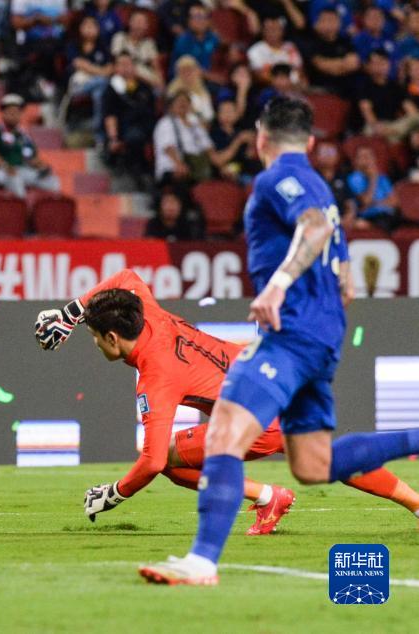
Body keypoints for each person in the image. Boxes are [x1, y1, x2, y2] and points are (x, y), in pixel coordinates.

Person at [137, 96, 419, 585]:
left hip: (290, 333)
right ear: (309, 142)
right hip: (322, 336)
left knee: (224, 433)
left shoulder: (275, 180)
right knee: (313, 463)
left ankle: (201, 563)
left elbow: (314, 229)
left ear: (260, 138)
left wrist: (278, 285)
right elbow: (344, 274)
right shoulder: (321, 187)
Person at [34, 268, 419, 536]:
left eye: (95, 337)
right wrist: (71, 313)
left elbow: (151, 462)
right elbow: (127, 278)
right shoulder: (148, 312)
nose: (95, 344)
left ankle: (268, 497)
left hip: (256, 421)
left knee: (165, 458)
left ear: (113, 338)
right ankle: (416, 503)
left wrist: (115, 493)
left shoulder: (156, 378)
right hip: (273, 379)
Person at [0, 94, 60, 198]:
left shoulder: (24, 135)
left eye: (17, 112)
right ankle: (21, 207)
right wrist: (6, 166)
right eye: (11, 112)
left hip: (21, 170)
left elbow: (30, 158)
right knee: (15, 179)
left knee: (51, 180)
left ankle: (50, 207)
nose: (14, 115)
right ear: (3, 113)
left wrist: (43, 167)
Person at [102, 53, 156, 186]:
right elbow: (110, 115)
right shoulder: (112, 89)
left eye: (129, 64)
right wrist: (113, 139)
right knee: (135, 137)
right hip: (127, 128)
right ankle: (138, 173)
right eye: (122, 64)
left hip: (147, 125)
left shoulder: (144, 86)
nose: (126, 67)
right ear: (115, 68)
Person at [63, 15, 113, 134]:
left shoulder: (103, 47)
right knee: (103, 82)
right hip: (78, 86)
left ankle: (97, 131)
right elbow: (79, 64)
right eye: (87, 25)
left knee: (98, 94)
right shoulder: (73, 45)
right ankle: (99, 132)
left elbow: (110, 68)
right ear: (80, 28)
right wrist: (101, 72)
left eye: (93, 26)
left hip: (97, 85)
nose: (90, 29)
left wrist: (93, 70)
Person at [153, 92, 215, 186]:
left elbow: (208, 148)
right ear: (171, 106)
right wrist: (179, 165)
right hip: (172, 168)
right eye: (179, 101)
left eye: (186, 101)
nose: (183, 103)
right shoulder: (165, 123)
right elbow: (168, 148)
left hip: (197, 166)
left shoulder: (195, 124)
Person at [357, 51, 419, 142]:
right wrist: (377, 126)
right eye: (376, 63)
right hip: (374, 125)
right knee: (370, 131)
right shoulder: (363, 86)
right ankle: (393, 136)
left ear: (389, 65)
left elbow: (409, 108)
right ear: (368, 66)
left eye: (383, 63)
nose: (380, 66)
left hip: (394, 125)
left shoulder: (395, 86)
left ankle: (394, 135)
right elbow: (366, 111)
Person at [301, 8, 360, 95]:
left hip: (347, 91)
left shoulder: (346, 41)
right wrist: (343, 64)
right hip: (321, 91)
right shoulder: (310, 42)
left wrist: (337, 65)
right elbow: (324, 66)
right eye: (324, 20)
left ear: (339, 23)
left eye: (331, 20)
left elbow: (353, 64)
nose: (328, 24)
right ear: (317, 23)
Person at [347, 145, 399, 233]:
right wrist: (373, 179)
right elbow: (366, 201)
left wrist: (375, 203)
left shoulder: (383, 178)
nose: (367, 160)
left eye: (369, 156)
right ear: (356, 161)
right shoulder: (354, 178)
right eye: (363, 157)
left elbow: (394, 202)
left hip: (388, 216)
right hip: (370, 216)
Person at [110, 9, 163, 90]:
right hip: (124, 73)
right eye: (136, 21)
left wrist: (161, 82)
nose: (139, 25)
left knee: (158, 86)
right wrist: (135, 73)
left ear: (146, 26)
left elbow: (156, 67)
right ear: (130, 22)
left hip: (144, 77)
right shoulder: (119, 37)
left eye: (142, 22)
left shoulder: (149, 43)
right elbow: (117, 61)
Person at [247, 16, 303, 85]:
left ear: (283, 31)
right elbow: (258, 75)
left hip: (293, 86)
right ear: (263, 31)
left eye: (276, 29)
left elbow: (299, 70)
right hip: (269, 87)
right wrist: (281, 83)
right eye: (269, 29)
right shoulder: (255, 50)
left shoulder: (290, 47)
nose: (272, 32)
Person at [171, 4, 218, 71]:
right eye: (196, 17)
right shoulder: (183, 41)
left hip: (211, 75)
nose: (201, 21)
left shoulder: (214, 38)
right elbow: (185, 69)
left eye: (204, 17)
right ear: (189, 21)